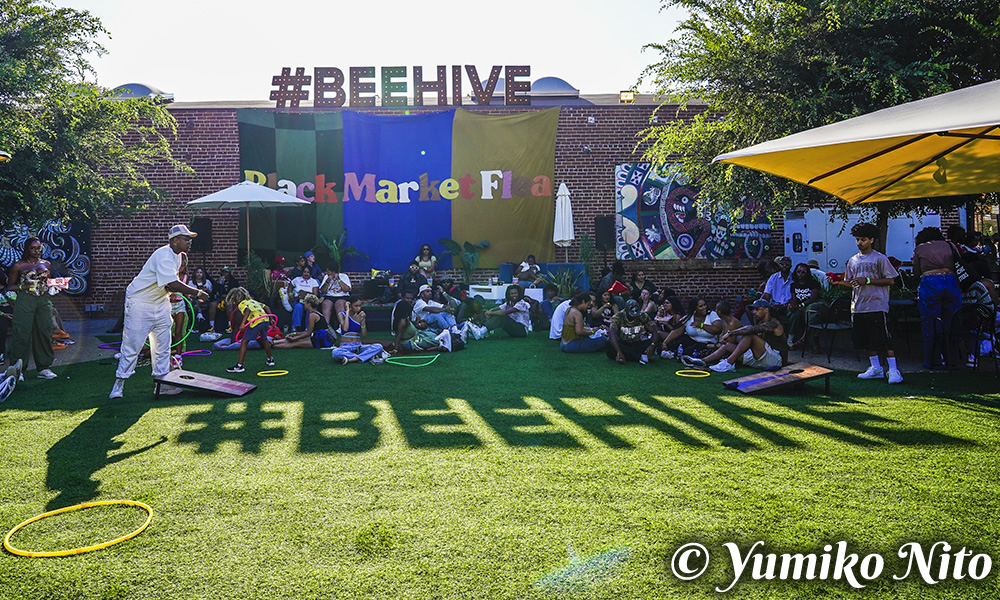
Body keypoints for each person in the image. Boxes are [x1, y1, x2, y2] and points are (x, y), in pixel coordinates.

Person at [110, 225, 210, 399]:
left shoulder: (179, 257)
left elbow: (169, 285)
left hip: (160, 302)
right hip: (140, 302)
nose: (189, 242)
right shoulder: (163, 255)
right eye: (186, 239)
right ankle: (118, 385)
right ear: (175, 240)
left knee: (163, 345)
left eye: (189, 239)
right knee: (132, 344)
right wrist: (198, 292)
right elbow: (171, 283)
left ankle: (162, 384)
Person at [833, 222, 902, 383]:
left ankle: (893, 370)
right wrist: (837, 283)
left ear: (871, 239)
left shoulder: (880, 258)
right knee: (865, 341)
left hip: (877, 305)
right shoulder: (853, 261)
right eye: (857, 239)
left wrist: (868, 280)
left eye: (863, 239)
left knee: (884, 340)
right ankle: (876, 368)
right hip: (858, 306)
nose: (859, 243)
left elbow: (891, 281)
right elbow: (852, 283)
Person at [7, 237, 58, 380]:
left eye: (39, 248)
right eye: (33, 248)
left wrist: (56, 286)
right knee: (21, 333)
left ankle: (44, 367)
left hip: (43, 300)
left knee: (44, 332)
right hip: (25, 300)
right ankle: (18, 369)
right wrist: (23, 287)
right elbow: (10, 286)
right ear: (27, 249)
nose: (36, 251)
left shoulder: (46, 264)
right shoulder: (19, 265)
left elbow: (49, 282)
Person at [911, 226, 962, 369]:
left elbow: (916, 272)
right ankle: (952, 360)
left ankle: (933, 361)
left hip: (930, 282)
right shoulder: (950, 245)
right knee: (952, 321)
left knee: (930, 323)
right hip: (952, 281)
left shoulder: (921, 248)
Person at [704, 299, 787, 372]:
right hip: (762, 357)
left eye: (757, 309)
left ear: (766, 310)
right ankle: (702, 361)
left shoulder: (774, 324)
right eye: (753, 309)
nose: (754, 312)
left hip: (777, 360)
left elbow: (751, 329)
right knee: (727, 345)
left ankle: (728, 363)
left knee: (750, 335)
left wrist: (731, 333)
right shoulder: (759, 321)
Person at [226, 292, 276, 373]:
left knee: (244, 342)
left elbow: (247, 310)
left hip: (255, 322)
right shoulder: (253, 301)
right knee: (264, 339)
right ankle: (270, 360)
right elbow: (266, 307)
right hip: (265, 320)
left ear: (236, 299)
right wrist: (271, 319)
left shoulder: (241, 304)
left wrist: (242, 324)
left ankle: (239, 366)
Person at [331, 297, 385, 364]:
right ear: (350, 305)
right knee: (335, 352)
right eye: (356, 306)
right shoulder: (342, 315)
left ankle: (352, 359)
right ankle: (366, 357)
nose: (358, 308)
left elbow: (364, 335)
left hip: (358, 346)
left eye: (360, 306)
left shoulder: (360, 316)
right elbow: (345, 328)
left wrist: (362, 321)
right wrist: (347, 311)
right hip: (345, 347)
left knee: (378, 346)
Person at [606, 298, 658, 364]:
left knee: (654, 340)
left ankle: (629, 356)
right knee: (608, 342)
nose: (634, 316)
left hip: (637, 343)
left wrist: (652, 346)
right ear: (626, 311)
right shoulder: (618, 316)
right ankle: (638, 356)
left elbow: (655, 332)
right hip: (623, 343)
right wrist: (619, 351)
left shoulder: (642, 315)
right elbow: (612, 334)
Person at [787, 262, 824, 350]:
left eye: (803, 272)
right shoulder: (793, 285)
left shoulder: (812, 283)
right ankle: (790, 340)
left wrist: (802, 304)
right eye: (798, 272)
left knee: (811, 313)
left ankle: (807, 339)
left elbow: (813, 297)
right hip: (800, 306)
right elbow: (794, 298)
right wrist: (793, 305)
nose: (800, 274)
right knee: (794, 314)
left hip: (811, 304)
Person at [319, 262, 351, 329]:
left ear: (333, 272)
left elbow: (347, 289)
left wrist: (338, 280)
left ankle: (342, 326)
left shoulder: (344, 276)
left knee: (339, 303)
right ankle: (326, 326)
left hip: (342, 296)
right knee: (326, 304)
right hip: (329, 296)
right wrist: (327, 281)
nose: (327, 273)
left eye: (329, 271)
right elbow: (322, 291)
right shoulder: (326, 277)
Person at [289, 265, 320, 331]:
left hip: (309, 301)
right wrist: (291, 295)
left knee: (310, 308)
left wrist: (305, 294)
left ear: (310, 274)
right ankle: (295, 327)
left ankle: (308, 328)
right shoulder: (297, 279)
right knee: (298, 307)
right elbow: (290, 287)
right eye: (304, 272)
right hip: (298, 300)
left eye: (308, 272)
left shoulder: (313, 281)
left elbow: (315, 294)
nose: (306, 274)